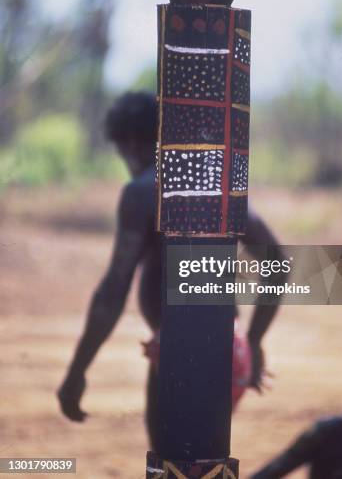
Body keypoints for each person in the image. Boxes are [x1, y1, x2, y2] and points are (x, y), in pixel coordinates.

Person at [57, 91, 287, 449]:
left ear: (130, 142)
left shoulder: (142, 192)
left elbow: (113, 291)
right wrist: (254, 341)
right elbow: (278, 264)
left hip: (183, 355)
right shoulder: (218, 183)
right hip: (230, 352)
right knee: (201, 456)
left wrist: (77, 371)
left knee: (174, 460)